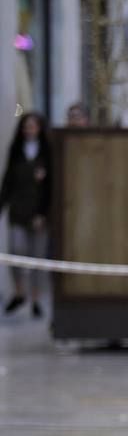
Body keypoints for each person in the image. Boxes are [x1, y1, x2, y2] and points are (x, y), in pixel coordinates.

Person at [1, 113, 53, 318]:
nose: (29, 130)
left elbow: (50, 186)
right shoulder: (16, 152)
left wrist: (43, 213)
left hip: (38, 215)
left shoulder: (47, 153)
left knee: (37, 258)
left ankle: (36, 298)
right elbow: (7, 182)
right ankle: (19, 292)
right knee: (15, 251)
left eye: (32, 126)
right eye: (26, 126)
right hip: (18, 211)